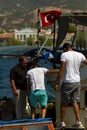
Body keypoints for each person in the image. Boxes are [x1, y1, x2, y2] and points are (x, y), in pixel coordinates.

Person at [54, 43, 87, 129]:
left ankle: (62, 122)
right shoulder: (80, 55)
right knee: (75, 102)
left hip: (68, 82)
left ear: (65, 49)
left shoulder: (64, 55)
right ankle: (78, 121)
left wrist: (57, 82)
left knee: (64, 103)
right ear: (71, 47)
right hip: (77, 82)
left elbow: (62, 69)